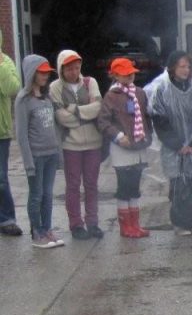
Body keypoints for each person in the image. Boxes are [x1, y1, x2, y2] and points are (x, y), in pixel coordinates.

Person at [149, 51, 192, 235]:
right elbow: (160, 120)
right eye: (181, 66)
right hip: (173, 149)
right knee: (177, 185)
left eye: (188, 66)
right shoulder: (162, 90)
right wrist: (177, 144)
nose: (185, 70)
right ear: (172, 68)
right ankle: (180, 223)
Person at [50, 49, 104, 239]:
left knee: (91, 184)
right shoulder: (55, 88)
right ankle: (76, 224)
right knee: (73, 185)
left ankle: (93, 222)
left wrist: (73, 109)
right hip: (70, 144)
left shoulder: (91, 83)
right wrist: (84, 115)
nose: (74, 72)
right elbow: (61, 117)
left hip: (93, 143)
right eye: (70, 69)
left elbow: (98, 107)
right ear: (61, 70)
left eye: (77, 67)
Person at [97, 57, 154, 238]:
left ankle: (135, 224)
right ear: (114, 75)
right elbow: (103, 122)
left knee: (135, 186)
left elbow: (146, 116)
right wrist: (119, 136)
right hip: (122, 147)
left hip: (139, 146)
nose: (129, 76)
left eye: (131, 73)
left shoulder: (140, 93)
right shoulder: (111, 96)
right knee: (124, 186)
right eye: (124, 74)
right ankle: (125, 226)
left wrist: (148, 134)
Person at [14, 55, 64, 248]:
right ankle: (37, 233)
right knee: (37, 194)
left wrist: (58, 153)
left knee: (48, 194)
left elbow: (54, 128)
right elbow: (21, 135)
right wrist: (28, 162)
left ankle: (47, 228)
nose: (45, 76)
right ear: (32, 73)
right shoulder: (23, 100)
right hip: (36, 155)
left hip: (51, 154)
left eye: (47, 73)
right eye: (41, 72)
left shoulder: (47, 96)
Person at [0, 28, 23, 236]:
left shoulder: (6, 62)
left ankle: (6, 219)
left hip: (1, 132)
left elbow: (12, 88)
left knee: (0, 178)